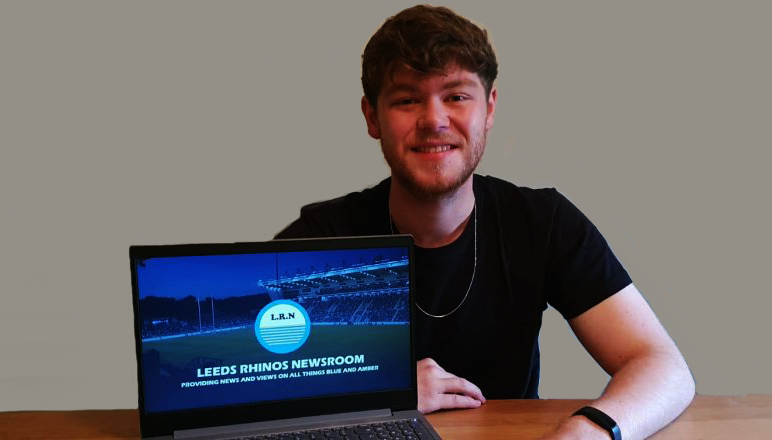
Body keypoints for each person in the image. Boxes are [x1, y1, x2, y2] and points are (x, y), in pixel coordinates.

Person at [276, 5, 695, 439]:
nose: (434, 121)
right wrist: (378, 390)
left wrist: (591, 431)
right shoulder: (318, 238)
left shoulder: (543, 222)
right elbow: (233, 390)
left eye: (456, 96)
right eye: (406, 100)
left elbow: (664, 367)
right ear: (371, 117)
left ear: (489, 108)